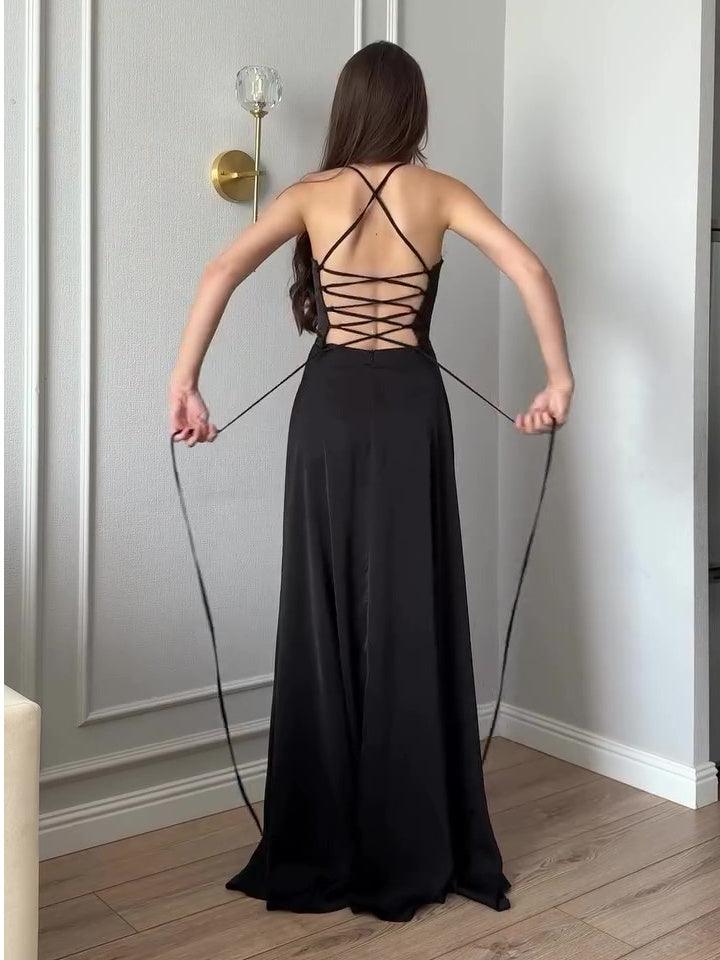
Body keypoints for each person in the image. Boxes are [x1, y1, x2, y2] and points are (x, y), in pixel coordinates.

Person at [169, 40, 573, 923]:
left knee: (324, 608)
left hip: (329, 411)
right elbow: (531, 269)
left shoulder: (312, 195)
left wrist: (185, 384)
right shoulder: (441, 192)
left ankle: (323, 835)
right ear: (413, 110)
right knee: (408, 605)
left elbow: (219, 270)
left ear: (348, 108)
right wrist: (558, 380)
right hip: (410, 411)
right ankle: (412, 836)